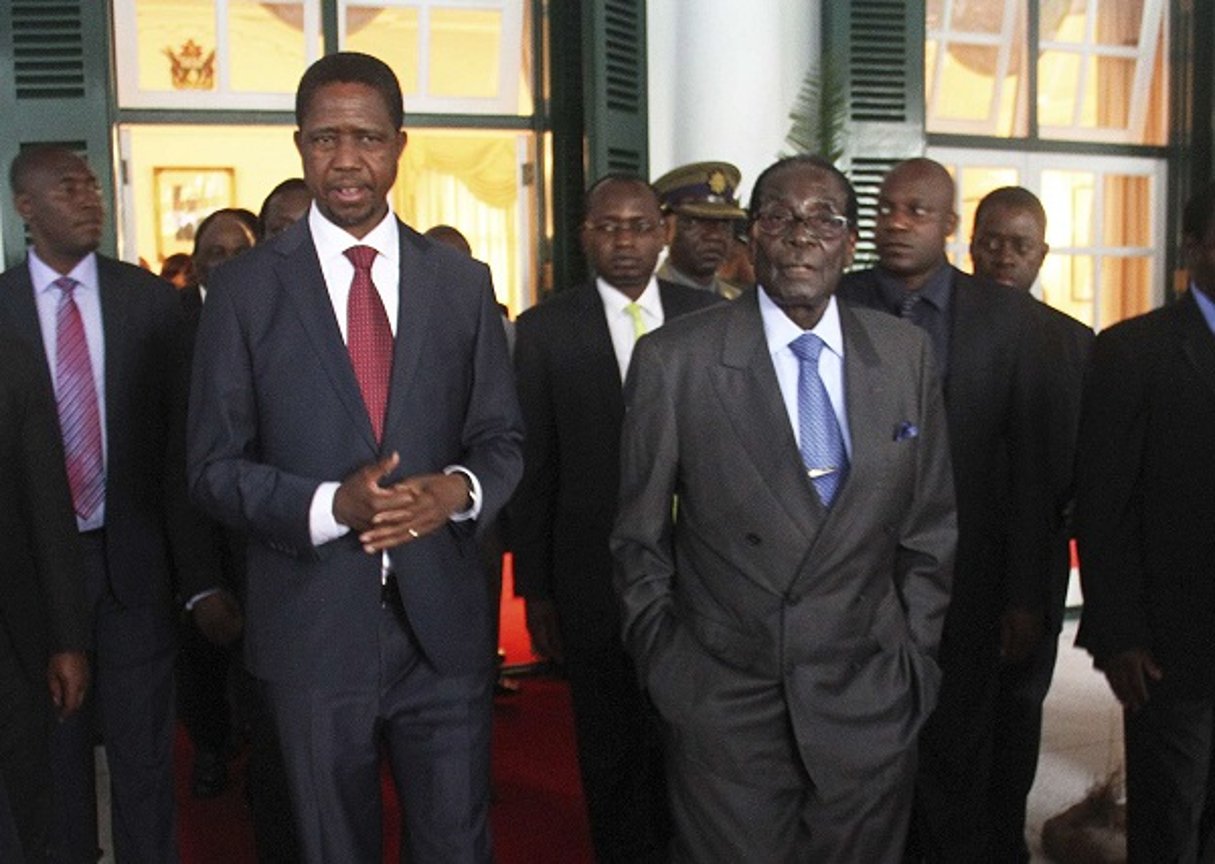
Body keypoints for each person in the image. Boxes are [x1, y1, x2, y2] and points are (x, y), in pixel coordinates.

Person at [187, 52, 523, 863]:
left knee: (455, 846)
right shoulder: (243, 293)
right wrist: (329, 506)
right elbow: (210, 468)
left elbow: (503, 440)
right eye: (326, 138)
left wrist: (460, 490)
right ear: (299, 145)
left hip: (441, 634)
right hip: (308, 635)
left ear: (399, 145)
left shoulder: (462, 283)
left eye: (367, 138)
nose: (346, 159)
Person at [612, 154, 956, 861]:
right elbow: (637, 541)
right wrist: (672, 675)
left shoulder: (902, 356)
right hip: (725, 705)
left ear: (850, 242)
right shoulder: (676, 360)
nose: (801, 235)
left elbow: (929, 526)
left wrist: (911, 665)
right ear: (752, 237)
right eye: (778, 218)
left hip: (867, 698)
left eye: (824, 219)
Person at [0, 145, 216, 864]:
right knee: (54, 757)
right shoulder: (0, 311)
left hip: (131, 567)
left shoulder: (149, 301)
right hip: (32, 577)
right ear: (26, 208)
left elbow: (176, 447)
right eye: (69, 188)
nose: (89, 198)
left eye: (93, 186)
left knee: (144, 756)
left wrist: (195, 576)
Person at [838, 157, 1057, 860]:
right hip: (850, 580)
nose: (896, 224)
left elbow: (1029, 469)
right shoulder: (833, 301)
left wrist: (1024, 592)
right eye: (887, 209)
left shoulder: (1003, 317)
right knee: (860, 755)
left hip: (968, 578)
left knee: (956, 754)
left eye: (916, 211)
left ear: (949, 226)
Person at [509, 173, 720, 861]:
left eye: (637, 226)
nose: (623, 241)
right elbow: (533, 467)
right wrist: (534, 589)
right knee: (607, 732)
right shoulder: (546, 329)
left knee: (690, 728)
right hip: (589, 569)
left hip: (698, 569)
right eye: (606, 226)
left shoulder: (705, 313)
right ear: (584, 236)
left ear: (663, 232)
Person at [1074, 182, 1215, 861]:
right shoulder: (1132, 352)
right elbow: (1102, 506)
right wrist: (1117, 634)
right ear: (1192, 246)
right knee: (1168, 822)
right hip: (1169, 650)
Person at [971, 186, 1094, 861]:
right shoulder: (932, 328)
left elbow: (1090, 460)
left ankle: (1002, 842)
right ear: (970, 244)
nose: (1002, 256)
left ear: (1040, 254)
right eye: (991, 241)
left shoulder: (1075, 346)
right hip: (949, 564)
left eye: (1019, 245)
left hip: (1034, 568)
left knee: (1018, 713)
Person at [176, 205, 259, 801]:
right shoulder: (171, 329)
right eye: (215, 251)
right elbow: (165, 463)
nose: (227, 261)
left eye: (240, 250)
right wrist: (199, 582)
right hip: (199, 532)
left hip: (269, 535)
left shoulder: (282, 317)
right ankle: (210, 747)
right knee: (203, 661)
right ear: (197, 264)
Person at [0, 327, 91, 863]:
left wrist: (66, 638)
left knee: (24, 811)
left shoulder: (11, 357)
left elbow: (46, 504)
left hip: (10, 641)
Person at [653, 161, 748, 299]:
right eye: (695, 222)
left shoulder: (738, 302)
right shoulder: (647, 304)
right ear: (665, 231)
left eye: (724, 224)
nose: (714, 235)